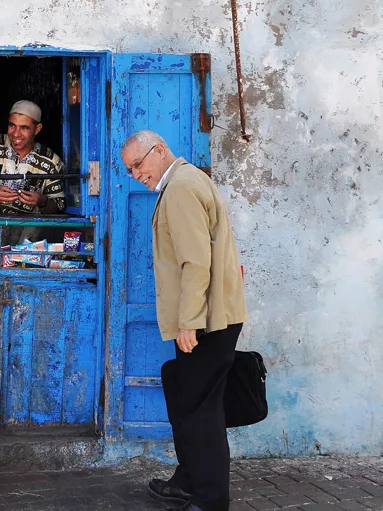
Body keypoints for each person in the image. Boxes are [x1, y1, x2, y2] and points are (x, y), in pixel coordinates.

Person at [119, 130, 248, 511]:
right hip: (208, 318)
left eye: (138, 164)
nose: (135, 174)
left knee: (201, 412)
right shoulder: (186, 181)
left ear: (159, 150)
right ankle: (188, 479)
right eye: (129, 170)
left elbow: (196, 262)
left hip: (206, 322)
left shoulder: (179, 188)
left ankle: (210, 500)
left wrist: (189, 322)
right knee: (183, 394)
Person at [0, 100, 65, 244]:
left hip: (27, 236)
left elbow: (58, 206)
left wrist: (42, 200)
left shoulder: (51, 161)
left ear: (37, 129)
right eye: (12, 125)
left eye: (24, 128)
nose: (16, 134)